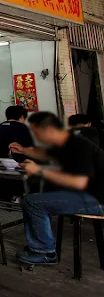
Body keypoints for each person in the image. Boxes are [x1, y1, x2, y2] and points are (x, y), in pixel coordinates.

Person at [13, 112, 104, 265]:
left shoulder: (79, 145)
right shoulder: (66, 143)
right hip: (89, 194)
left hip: (98, 199)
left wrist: (40, 171)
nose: (35, 137)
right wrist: (23, 150)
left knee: (33, 202)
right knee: (33, 198)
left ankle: (45, 252)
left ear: (48, 129)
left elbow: (79, 183)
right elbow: (45, 154)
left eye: (36, 132)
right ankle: (39, 246)